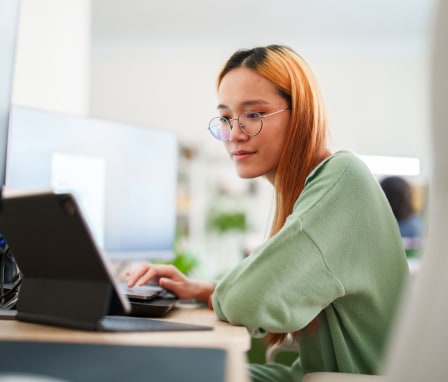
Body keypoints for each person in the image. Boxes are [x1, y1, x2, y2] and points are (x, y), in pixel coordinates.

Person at [127, 45, 410, 382]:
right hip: (311, 374)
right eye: (227, 118)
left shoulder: (343, 176)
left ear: (301, 113)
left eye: (254, 115)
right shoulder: (310, 189)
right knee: (168, 370)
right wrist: (206, 290)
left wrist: (220, 295)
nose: (234, 134)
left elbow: (248, 300)